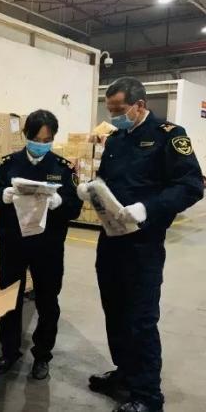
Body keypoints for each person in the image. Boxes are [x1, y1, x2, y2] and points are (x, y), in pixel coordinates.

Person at [77, 77, 204, 412]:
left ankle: (148, 396)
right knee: (115, 311)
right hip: (111, 240)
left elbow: (191, 186)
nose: (115, 116)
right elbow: (111, 182)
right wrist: (92, 189)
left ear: (139, 105)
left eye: (120, 109)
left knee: (140, 319)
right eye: (110, 110)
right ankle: (126, 375)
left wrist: (148, 208)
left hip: (142, 245)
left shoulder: (169, 136)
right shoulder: (117, 138)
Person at [0, 109, 82, 380]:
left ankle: (42, 355)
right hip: (14, 244)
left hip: (48, 247)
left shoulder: (63, 168)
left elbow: (75, 208)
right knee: (10, 299)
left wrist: (60, 202)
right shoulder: (7, 164)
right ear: (25, 135)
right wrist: (3, 195)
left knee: (48, 302)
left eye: (47, 140)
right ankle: (9, 351)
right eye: (37, 139)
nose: (41, 144)